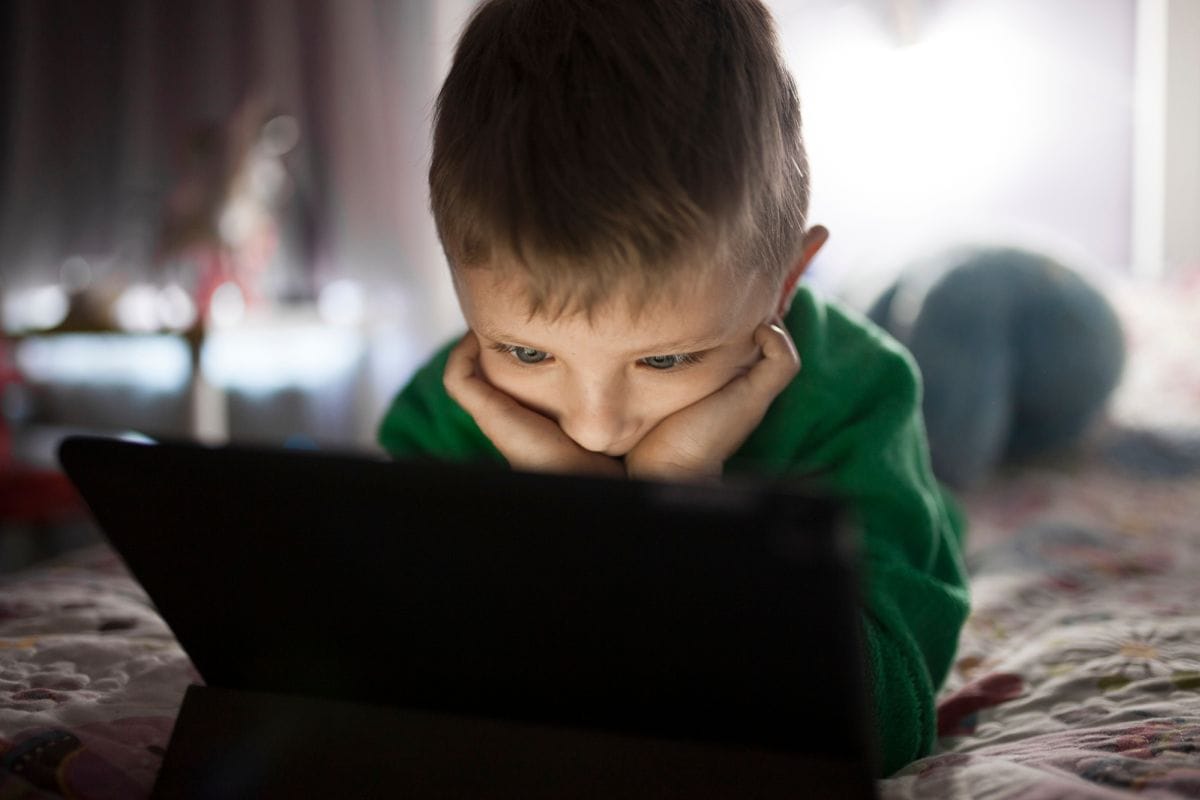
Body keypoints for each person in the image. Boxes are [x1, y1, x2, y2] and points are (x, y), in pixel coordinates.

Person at [378, 0, 968, 776]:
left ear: (786, 282)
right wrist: (576, 510)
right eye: (526, 350)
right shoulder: (447, 408)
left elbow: (884, 726)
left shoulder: (858, 397)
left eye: (664, 361)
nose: (595, 430)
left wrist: (686, 510)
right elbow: (402, 675)